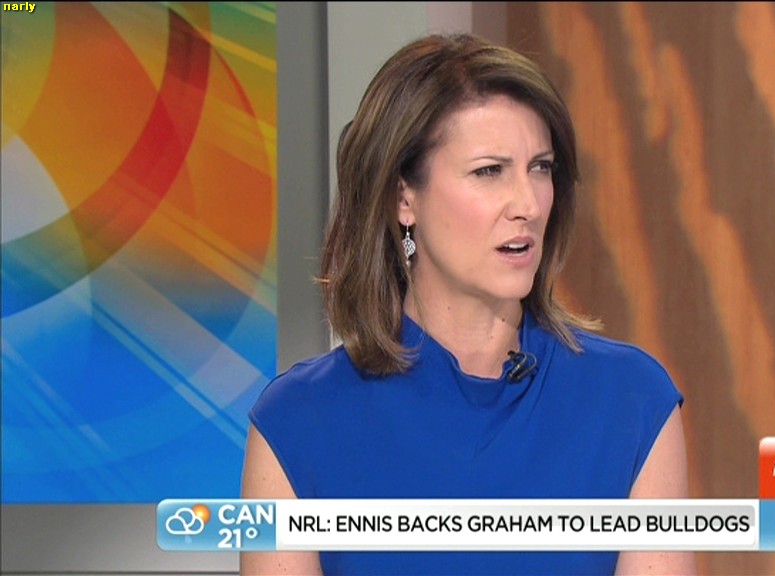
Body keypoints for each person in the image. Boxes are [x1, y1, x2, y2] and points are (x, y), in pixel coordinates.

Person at [241, 32, 693, 576]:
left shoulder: (631, 403)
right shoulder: (298, 421)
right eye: (489, 171)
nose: (528, 205)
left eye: (541, 168)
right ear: (403, 197)